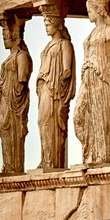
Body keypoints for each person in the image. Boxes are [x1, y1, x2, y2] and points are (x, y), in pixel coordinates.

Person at [74, 0, 110, 165]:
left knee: (101, 117)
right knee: (80, 116)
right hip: (88, 80)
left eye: (90, 10)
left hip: (101, 81)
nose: (88, 13)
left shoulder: (109, 32)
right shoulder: (93, 33)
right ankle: (90, 152)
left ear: (99, 10)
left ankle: (102, 155)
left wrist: (96, 67)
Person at [37, 15, 75, 169]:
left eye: (48, 24)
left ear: (57, 25)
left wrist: (58, 81)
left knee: (50, 122)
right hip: (44, 88)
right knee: (43, 122)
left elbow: (67, 70)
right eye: (45, 24)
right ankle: (45, 158)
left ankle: (52, 161)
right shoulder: (48, 45)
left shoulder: (64, 45)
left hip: (54, 90)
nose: (46, 27)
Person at [0, 18, 32, 174]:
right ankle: (8, 165)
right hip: (5, 100)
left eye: (6, 36)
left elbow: (22, 78)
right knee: (3, 130)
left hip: (14, 100)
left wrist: (8, 87)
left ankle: (15, 166)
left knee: (12, 130)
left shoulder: (21, 56)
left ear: (15, 36)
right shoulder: (10, 57)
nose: (4, 40)